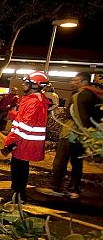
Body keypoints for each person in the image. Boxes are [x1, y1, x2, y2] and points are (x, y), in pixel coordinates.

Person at [47, 71, 103, 199]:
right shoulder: (94, 95)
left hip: (71, 133)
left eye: (75, 80)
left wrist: (80, 130)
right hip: (83, 136)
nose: (72, 82)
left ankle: (56, 187)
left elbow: (79, 115)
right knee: (77, 163)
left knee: (60, 162)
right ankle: (75, 189)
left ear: (83, 82)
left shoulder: (79, 95)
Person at [1, 71, 50, 204]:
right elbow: (24, 119)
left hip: (24, 142)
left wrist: (11, 141)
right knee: (19, 168)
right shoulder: (31, 100)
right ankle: (18, 194)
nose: (24, 84)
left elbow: (25, 126)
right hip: (24, 141)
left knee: (19, 169)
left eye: (27, 82)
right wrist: (13, 115)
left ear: (35, 85)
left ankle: (18, 195)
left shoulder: (35, 102)